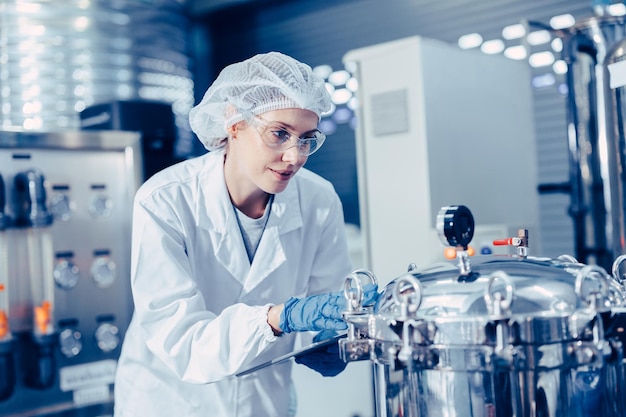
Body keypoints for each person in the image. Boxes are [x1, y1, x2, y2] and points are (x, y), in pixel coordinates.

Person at [113, 52, 378, 417]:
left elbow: (324, 305)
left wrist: (331, 341)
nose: (294, 156)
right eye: (279, 134)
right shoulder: (164, 200)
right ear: (233, 122)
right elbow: (183, 343)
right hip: (172, 401)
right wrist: (277, 317)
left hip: (263, 403)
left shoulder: (318, 199)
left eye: (306, 139)